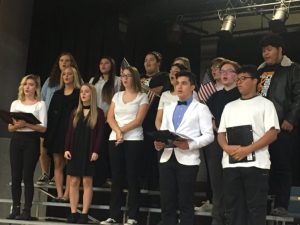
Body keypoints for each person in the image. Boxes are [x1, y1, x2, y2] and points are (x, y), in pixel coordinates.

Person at [218, 65, 279, 225]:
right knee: (233, 209)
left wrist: (248, 149)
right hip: (231, 164)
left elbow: (272, 133)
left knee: (255, 209)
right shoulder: (229, 107)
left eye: (243, 79)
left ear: (255, 81)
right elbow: (220, 134)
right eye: (237, 80)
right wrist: (225, 147)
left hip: (257, 164)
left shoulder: (266, 104)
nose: (239, 82)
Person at [154, 71, 214, 225]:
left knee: (185, 201)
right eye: (177, 82)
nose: (179, 86)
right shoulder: (169, 106)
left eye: (184, 83)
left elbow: (209, 135)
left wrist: (190, 144)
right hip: (167, 156)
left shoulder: (201, 108)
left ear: (193, 86)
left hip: (188, 159)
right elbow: (164, 130)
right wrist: (159, 142)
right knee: (167, 200)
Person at [257, 33, 300, 216]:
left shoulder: (292, 69)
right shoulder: (259, 71)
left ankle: (281, 204)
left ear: (280, 49)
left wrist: (291, 118)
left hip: (282, 126)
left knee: (282, 165)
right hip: (261, 127)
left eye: (269, 49)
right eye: (263, 50)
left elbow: (299, 95)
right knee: (264, 166)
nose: (265, 54)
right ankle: (265, 202)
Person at [100, 66, 149, 225]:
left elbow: (138, 121)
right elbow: (110, 117)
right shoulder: (117, 95)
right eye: (123, 76)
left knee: (132, 177)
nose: (125, 79)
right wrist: (118, 132)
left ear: (134, 77)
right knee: (116, 178)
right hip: (115, 139)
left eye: (128, 76)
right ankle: (113, 215)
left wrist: (121, 132)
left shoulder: (142, 97)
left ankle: (133, 216)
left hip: (134, 140)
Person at [204, 60, 241, 225]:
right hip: (216, 144)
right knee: (217, 183)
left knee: (234, 182)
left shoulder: (241, 95)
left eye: (229, 71)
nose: (224, 73)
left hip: (237, 142)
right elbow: (208, 114)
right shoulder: (214, 96)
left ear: (237, 75)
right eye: (222, 70)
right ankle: (217, 219)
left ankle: (233, 219)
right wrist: (213, 124)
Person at [6, 74, 47, 220]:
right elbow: (10, 128)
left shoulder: (40, 104)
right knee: (15, 175)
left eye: (30, 84)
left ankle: (26, 211)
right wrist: (16, 126)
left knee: (27, 176)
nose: (27, 87)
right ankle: (15, 208)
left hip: (31, 140)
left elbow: (43, 128)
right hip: (17, 139)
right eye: (25, 84)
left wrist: (27, 124)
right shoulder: (15, 103)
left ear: (36, 88)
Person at [37, 52, 81, 185]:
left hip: (66, 122)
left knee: (63, 152)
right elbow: (42, 99)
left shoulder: (78, 81)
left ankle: (61, 179)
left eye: (67, 60)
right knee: (44, 147)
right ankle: (45, 174)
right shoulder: (50, 81)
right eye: (61, 60)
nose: (64, 63)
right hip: (49, 119)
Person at [64, 84, 105, 224]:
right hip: (75, 150)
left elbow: (100, 134)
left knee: (87, 181)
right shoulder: (75, 112)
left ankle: (84, 214)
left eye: (86, 92)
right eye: (81, 92)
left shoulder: (98, 113)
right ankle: (73, 212)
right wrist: (66, 149)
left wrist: (96, 151)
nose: (83, 94)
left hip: (89, 151)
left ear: (92, 95)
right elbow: (69, 132)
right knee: (74, 181)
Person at [44, 66, 81, 202]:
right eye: (64, 74)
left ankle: (67, 194)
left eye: (69, 74)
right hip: (57, 131)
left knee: (70, 164)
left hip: (72, 132)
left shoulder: (78, 93)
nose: (66, 76)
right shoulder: (57, 94)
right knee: (57, 163)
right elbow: (50, 114)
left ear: (74, 76)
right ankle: (59, 194)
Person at [89, 56, 120, 187]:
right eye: (101, 63)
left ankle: (107, 177)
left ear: (112, 65)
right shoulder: (93, 80)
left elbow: (118, 99)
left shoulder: (117, 80)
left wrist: (108, 115)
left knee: (106, 149)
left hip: (110, 120)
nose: (103, 65)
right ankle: (94, 176)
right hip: (95, 118)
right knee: (94, 148)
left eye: (106, 63)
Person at [141, 51, 169, 190]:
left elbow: (163, 91)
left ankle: (155, 186)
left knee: (155, 154)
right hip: (140, 121)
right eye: (145, 60)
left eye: (151, 60)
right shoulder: (139, 78)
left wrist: (144, 89)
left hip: (155, 120)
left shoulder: (163, 76)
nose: (147, 62)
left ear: (158, 62)